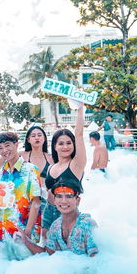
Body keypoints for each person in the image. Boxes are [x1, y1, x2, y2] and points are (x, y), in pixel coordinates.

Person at [0, 132, 42, 248]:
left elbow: (36, 202)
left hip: (23, 231)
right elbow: (3, 204)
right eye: (0, 148)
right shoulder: (2, 173)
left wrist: (27, 230)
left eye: (7, 145)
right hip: (3, 232)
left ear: (16, 145)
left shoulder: (30, 169)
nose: (4, 150)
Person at [18, 179, 99, 257]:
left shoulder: (87, 224)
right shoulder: (56, 226)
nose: (64, 201)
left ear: (78, 200)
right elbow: (47, 254)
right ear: (55, 201)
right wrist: (25, 240)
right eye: (59, 196)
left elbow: (96, 261)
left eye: (69, 196)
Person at [43, 102, 87, 240]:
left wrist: (80, 109)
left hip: (68, 213)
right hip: (48, 212)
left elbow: (79, 135)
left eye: (69, 143)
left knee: (66, 249)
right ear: (54, 146)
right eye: (61, 143)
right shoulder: (51, 167)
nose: (65, 146)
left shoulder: (76, 165)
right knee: (47, 250)